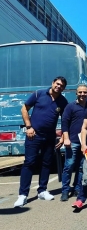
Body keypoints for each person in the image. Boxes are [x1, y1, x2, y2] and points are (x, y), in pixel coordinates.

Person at [14, 77, 68, 207]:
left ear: (63, 88)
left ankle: (42, 190)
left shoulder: (62, 101)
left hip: (50, 137)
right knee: (29, 163)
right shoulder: (39, 94)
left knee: (46, 163)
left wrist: (63, 137)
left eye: (61, 86)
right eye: (57, 84)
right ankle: (23, 195)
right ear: (53, 83)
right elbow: (24, 109)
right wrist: (28, 127)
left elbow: (65, 119)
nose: (59, 86)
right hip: (34, 135)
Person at [60, 85, 87, 201]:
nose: (82, 94)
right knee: (69, 166)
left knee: (81, 167)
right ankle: (65, 190)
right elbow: (64, 123)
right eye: (80, 92)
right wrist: (66, 138)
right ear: (76, 93)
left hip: (85, 142)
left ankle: (77, 188)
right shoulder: (70, 106)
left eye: (85, 92)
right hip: (72, 141)